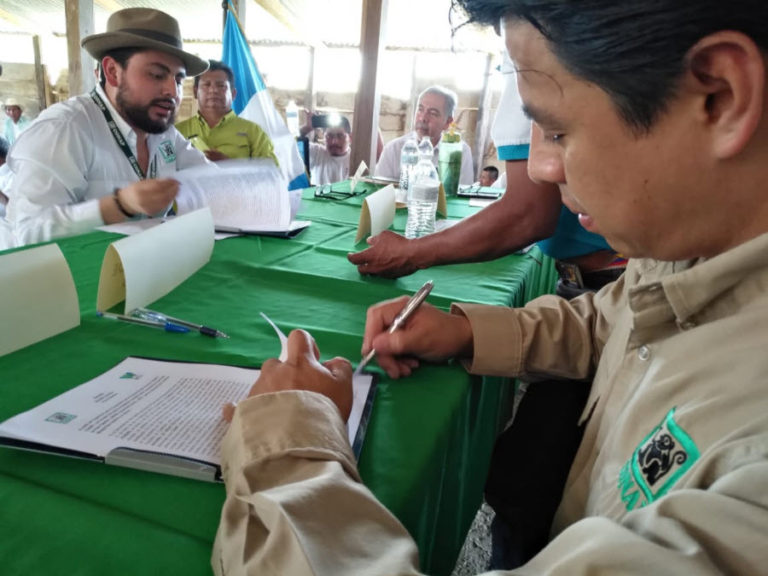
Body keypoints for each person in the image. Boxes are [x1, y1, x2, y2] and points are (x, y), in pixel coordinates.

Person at [212, 1, 768, 574]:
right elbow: (612, 319)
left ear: (719, 96)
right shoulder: (691, 255)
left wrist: (289, 451)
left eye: (557, 131)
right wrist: (465, 332)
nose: (542, 168)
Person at [5, 8, 209, 246]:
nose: (172, 92)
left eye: (179, 80)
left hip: (141, 263)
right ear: (112, 72)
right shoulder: (64, 129)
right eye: (156, 75)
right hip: (67, 269)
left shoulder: (163, 133)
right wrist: (119, 206)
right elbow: (30, 231)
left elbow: (211, 180)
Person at [176, 60, 277, 164]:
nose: (213, 90)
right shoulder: (177, 132)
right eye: (207, 84)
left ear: (233, 94)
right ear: (195, 92)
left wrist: (230, 165)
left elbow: (272, 171)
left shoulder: (254, 132)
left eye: (221, 85)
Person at [375, 85, 475, 185]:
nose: (423, 118)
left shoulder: (459, 152)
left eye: (433, 113)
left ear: (447, 122)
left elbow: (463, 192)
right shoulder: (394, 149)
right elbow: (379, 190)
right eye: (420, 109)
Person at [298, 111, 352, 185]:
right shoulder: (316, 152)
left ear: (350, 138)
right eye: (329, 136)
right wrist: (305, 129)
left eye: (340, 136)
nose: (334, 142)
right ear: (323, 137)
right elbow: (287, 146)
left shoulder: (355, 160)